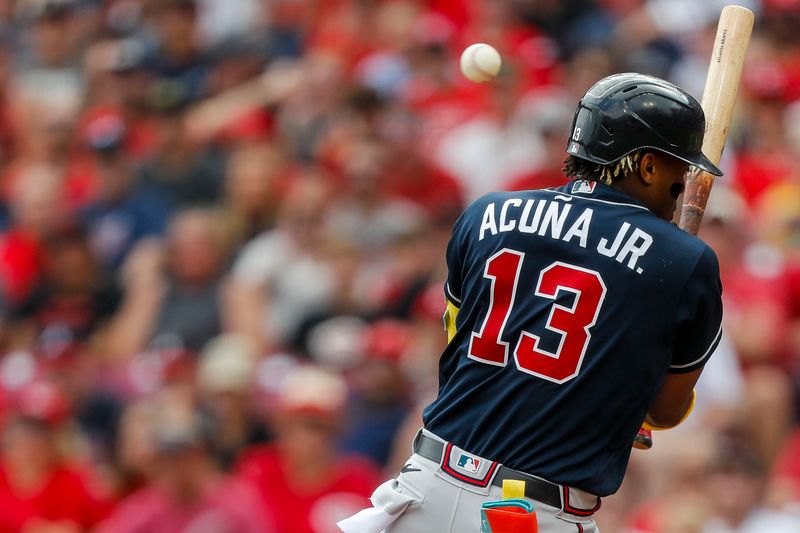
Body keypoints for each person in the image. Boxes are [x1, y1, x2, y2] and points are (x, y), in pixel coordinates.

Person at [339, 73, 724, 533]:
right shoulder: (683, 260)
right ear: (645, 166)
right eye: (677, 167)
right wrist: (625, 402)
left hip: (424, 488)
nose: (683, 182)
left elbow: (462, 347)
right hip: (537, 515)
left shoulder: (486, 212)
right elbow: (664, 411)